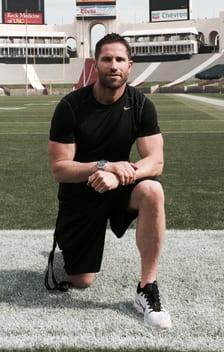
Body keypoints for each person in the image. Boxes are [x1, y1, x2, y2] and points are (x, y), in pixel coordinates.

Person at [47, 33, 171, 329]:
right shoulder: (71, 106)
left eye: (119, 59)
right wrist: (102, 166)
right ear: (95, 64)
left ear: (130, 65)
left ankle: (147, 287)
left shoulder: (141, 105)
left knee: (152, 190)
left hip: (118, 187)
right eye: (106, 59)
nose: (113, 65)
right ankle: (72, 248)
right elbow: (60, 169)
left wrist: (117, 174)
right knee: (81, 281)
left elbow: (156, 161)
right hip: (80, 194)